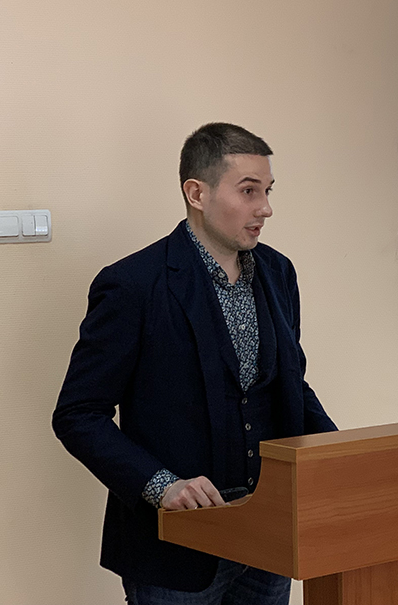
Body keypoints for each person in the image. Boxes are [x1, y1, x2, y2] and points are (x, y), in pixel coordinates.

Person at [53, 123, 336, 604]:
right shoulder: (133, 284)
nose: (265, 208)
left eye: (267, 191)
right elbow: (78, 414)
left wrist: (336, 456)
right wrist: (160, 486)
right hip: (175, 548)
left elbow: (290, 384)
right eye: (248, 191)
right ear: (196, 193)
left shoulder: (278, 272)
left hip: (271, 534)